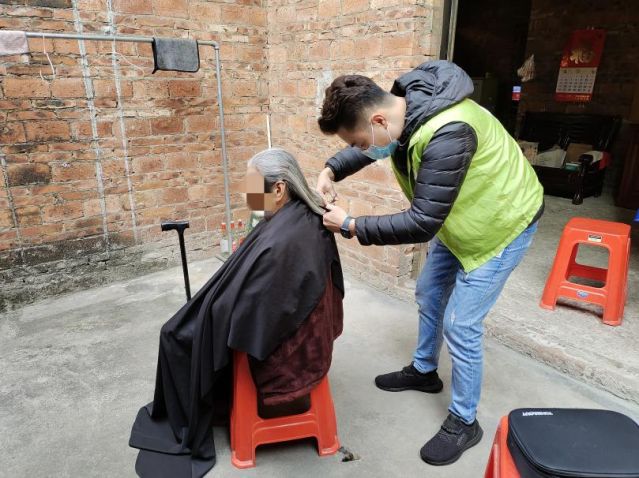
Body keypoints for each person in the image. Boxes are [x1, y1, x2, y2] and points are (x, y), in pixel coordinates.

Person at [316, 60, 544, 466]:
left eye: (361, 142)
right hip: (462, 219)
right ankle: (424, 371)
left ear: (379, 120)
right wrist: (332, 169)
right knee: (429, 291)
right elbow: (379, 145)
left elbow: (422, 222)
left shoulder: (449, 131)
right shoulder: (406, 110)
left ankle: (464, 421)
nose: (365, 150)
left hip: (502, 224)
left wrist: (350, 225)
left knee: (461, 324)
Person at [129, 149, 344, 478]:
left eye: (251, 185)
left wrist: (218, 312)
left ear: (278, 189)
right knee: (181, 327)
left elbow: (268, 305)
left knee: (176, 335)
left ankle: (187, 414)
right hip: (270, 313)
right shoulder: (292, 218)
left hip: (289, 338)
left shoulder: (290, 237)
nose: (245, 193)